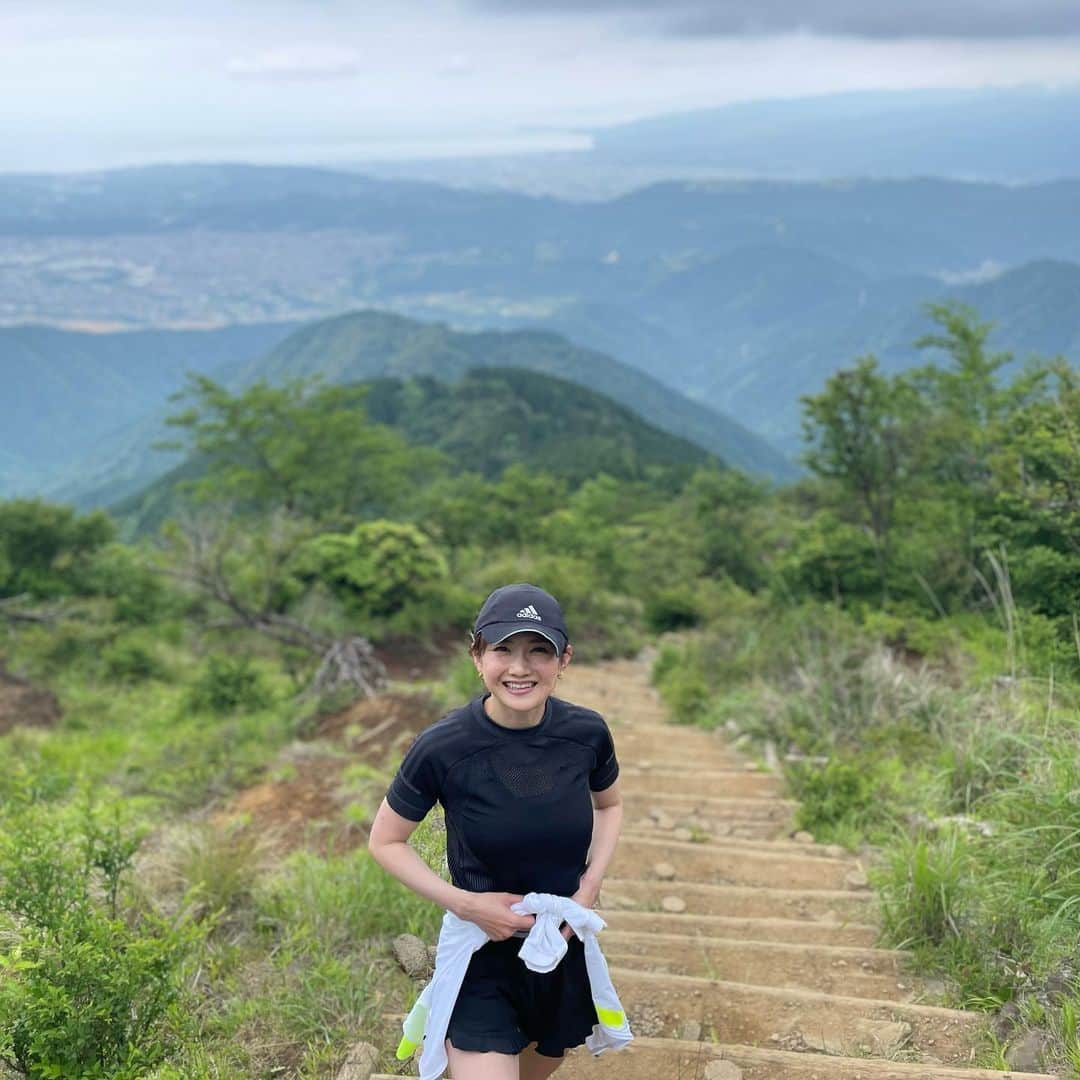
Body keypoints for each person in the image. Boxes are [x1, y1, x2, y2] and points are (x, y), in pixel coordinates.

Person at [368, 582, 625, 1080]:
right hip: (478, 954)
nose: (520, 668)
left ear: (564, 658)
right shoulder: (443, 746)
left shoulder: (586, 733)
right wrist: (463, 903)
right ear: (477, 655)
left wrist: (589, 886)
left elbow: (610, 806)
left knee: (538, 1066)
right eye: (503, 649)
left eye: (539, 651)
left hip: (556, 947)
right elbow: (385, 841)